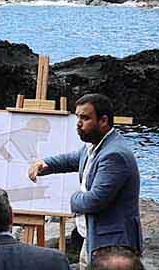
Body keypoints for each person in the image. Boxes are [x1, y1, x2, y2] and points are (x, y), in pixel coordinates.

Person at [28, 92, 139, 258]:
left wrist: (72, 199)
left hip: (113, 246)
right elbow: (74, 159)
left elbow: (95, 200)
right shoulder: (97, 145)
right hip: (95, 239)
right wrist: (45, 164)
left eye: (85, 118)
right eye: (77, 118)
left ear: (103, 121)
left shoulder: (114, 155)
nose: (78, 124)